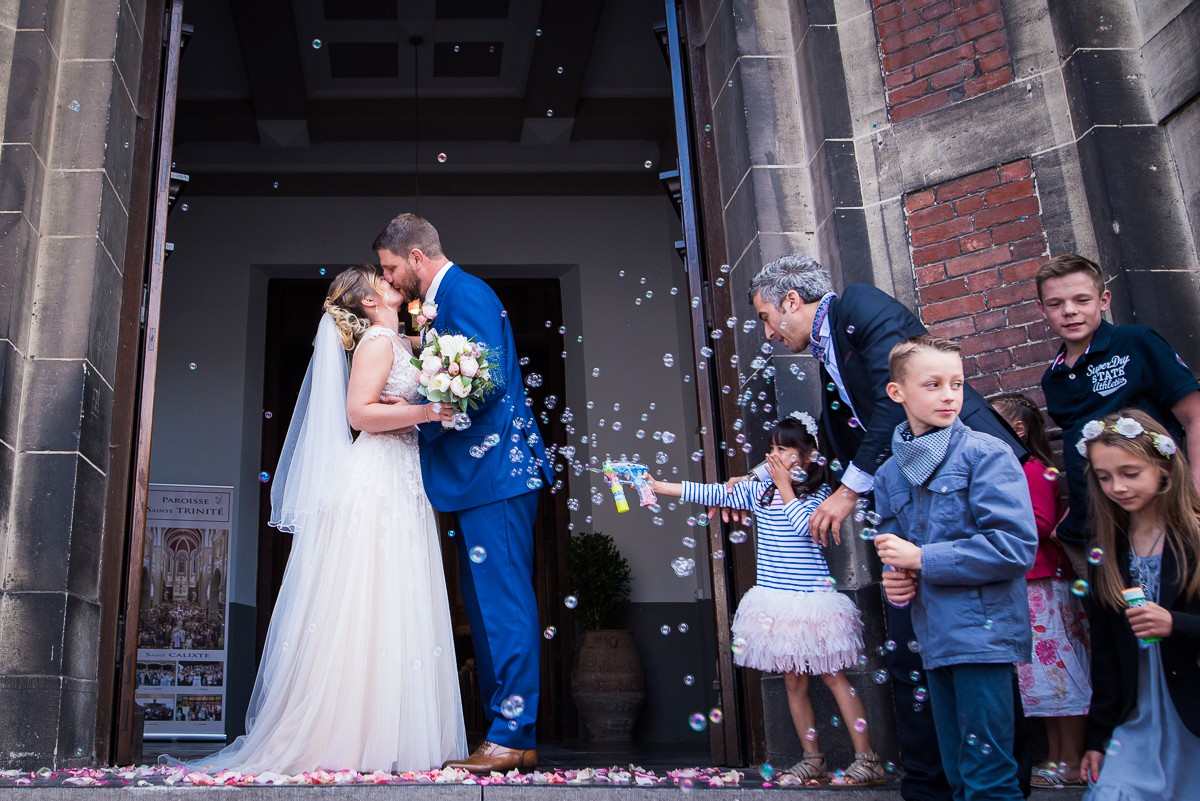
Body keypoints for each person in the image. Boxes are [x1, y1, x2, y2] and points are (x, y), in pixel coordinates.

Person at [748, 254, 1026, 801]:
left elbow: (884, 404)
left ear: (790, 301)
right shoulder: (827, 357)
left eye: (764, 316)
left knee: (976, 671)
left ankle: (995, 786)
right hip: (901, 491)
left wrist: (850, 492)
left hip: (952, 479)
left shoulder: (859, 307)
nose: (766, 331)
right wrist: (757, 489)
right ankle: (928, 785)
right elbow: (843, 440)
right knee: (911, 653)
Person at [186, 265, 466, 774]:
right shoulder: (378, 343)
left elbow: (401, 394)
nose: (392, 282)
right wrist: (427, 413)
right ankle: (352, 737)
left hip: (405, 477)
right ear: (367, 302)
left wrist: (421, 393)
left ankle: (397, 734)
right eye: (381, 280)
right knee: (370, 598)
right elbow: (358, 413)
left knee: (401, 597)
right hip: (378, 478)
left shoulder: (404, 341)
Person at [374, 214, 552, 773]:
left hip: (495, 473)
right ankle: (502, 731)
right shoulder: (437, 305)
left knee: (503, 603)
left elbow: (484, 377)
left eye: (391, 267)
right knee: (482, 606)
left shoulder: (466, 292)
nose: (390, 278)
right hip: (474, 478)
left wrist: (415, 414)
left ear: (417, 259)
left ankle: (513, 733)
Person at [650, 414, 886, 787]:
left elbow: (805, 528)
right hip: (775, 599)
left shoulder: (822, 494)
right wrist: (659, 486)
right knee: (793, 681)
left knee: (833, 675)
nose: (773, 456)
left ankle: (866, 758)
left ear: (807, 457)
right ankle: (812, 759)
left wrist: (784, 487)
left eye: (784, 450)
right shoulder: (759, 491)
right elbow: (714, 493)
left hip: (811, 601)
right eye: (772, 448)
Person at [874, 336, 1038, 801]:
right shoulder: (889, 474)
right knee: (958, 774)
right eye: (933, 384)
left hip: (984, 636)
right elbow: (893, 552)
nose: (949, 395)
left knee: (989, 776)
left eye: (957, 384)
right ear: (897, 393)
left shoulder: (986, 453)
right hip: (934, 637)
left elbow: (1014, 546)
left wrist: (922, 559)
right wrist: (896, 581)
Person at [1036, 253, 1200, 579]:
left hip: (1156, 510)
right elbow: (1077, 443)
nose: (1069, 310)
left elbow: (1194, 415)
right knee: (1114, 620)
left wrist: (1195, 489)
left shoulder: (1135, 343)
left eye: (1082, 299)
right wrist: (1073, 514)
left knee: (1171, 614)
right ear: (1042, 309)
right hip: (1094, 526)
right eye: (1056, 303)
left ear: (1104, 300)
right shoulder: (1052, 378)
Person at [1075, 409, 1200, 799]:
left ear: (1164, 467)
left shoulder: (1195, 537)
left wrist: (1175, 624)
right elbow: (1107, 654)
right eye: (1104, 477)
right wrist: (1097, 736)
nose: (1118, 487)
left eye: (1131, 473)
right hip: (1136, 715)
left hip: (1192, 710)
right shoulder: (1109, 551)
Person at [991, 393, 1091, 788]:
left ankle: (1072, 760)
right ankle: (1054, 756)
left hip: (1043, 584)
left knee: (1060, 671)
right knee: (1044, 680)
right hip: (1025, 585)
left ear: (1016, 431)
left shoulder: (1032, 470)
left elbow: (1039, 523)